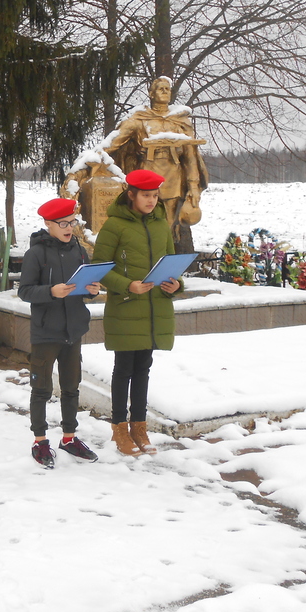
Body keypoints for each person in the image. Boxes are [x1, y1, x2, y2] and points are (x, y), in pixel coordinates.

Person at [91, 169, 182, 456]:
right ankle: (120, 429)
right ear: (131, 195)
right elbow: (100, 269)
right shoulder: (114, 226)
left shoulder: (161, 225)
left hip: (155, 308)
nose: (152, 200)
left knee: (144, 368)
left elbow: (171, 263)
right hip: (127, 308)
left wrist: (176, 285)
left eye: (155, 195)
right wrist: (128, 285)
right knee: (124, 369)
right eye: (146, 195)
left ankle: (139, 428)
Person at [18, 197, 101, 468]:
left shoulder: (78, 249)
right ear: (48, 224)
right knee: (41, 388)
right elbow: (25, 291)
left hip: (73, 329)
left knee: (71, 386)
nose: (69, 228)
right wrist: (50, 292)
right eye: (63, 223)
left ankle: (69, 437)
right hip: (46, 331)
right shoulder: (36, 254)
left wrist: (92, 290)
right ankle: (40, 441)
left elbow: (84, 284)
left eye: (72, 222)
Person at [104, 76, 208, 239]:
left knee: (166, 227)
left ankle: (161, 257)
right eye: (161, 89)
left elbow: (190, 157)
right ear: (151, 94)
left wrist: (193, 186)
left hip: (172, 179)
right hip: (146, 177)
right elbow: (114, 142)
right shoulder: (139, 119)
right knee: (143, 226)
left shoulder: (179, 121)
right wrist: (95, 156)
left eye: (168, 89)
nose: (165, 92)